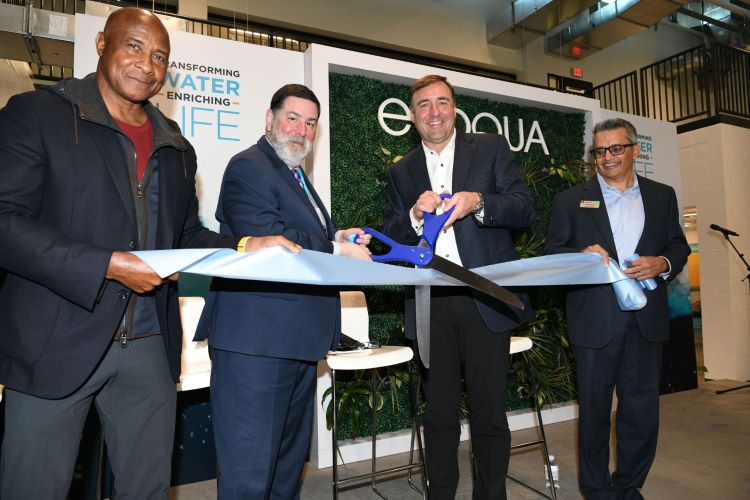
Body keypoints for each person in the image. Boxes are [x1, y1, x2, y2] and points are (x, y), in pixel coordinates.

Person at [0, 8, 298, 499]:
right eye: (133, 46)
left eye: (160, 55)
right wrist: (108, 266)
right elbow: (6, 223)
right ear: (101, 42)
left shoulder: (177, 147)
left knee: (148, 490)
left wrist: (244, 244)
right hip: (54, 340)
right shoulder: (38, 115)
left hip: (147, 343)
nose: (147, 64)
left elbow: (182, 239)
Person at [195, 83, 371, 499]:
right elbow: (271, 239)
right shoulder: (248, 167)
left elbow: (306, 234)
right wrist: (336, 249)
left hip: (296, 342)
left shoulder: (295, 176)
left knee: (286, 473)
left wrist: (339, 235)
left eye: (311, 124)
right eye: (293, 118)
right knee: (249, 478)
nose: (302, 131)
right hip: (255, 346)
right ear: (269, 119)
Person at [382, 74, 535, 499]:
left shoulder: (489, 148)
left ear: (455, 108)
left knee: (490, 413)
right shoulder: (401, 170)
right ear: (413, 116)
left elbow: (524, 208)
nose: (435, 112)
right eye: (425, 105)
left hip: (483, 296)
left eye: (442, 102)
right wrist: (414, 215)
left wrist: (479, 202)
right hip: (431, 301)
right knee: (440, 415)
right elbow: (390, 232)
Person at [544, 118, 691, 499]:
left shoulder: (663, 195)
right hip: (595, 320)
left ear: (634, 150)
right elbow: (551, 254)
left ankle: (628, 486)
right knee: (593, 410)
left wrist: (662, 263)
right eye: (599, 151)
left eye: (615, 149)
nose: (607, 157)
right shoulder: (570, 199)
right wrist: (580, 255)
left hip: (647, 319)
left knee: (640, 411)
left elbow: (679, 246)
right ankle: (595, 490)